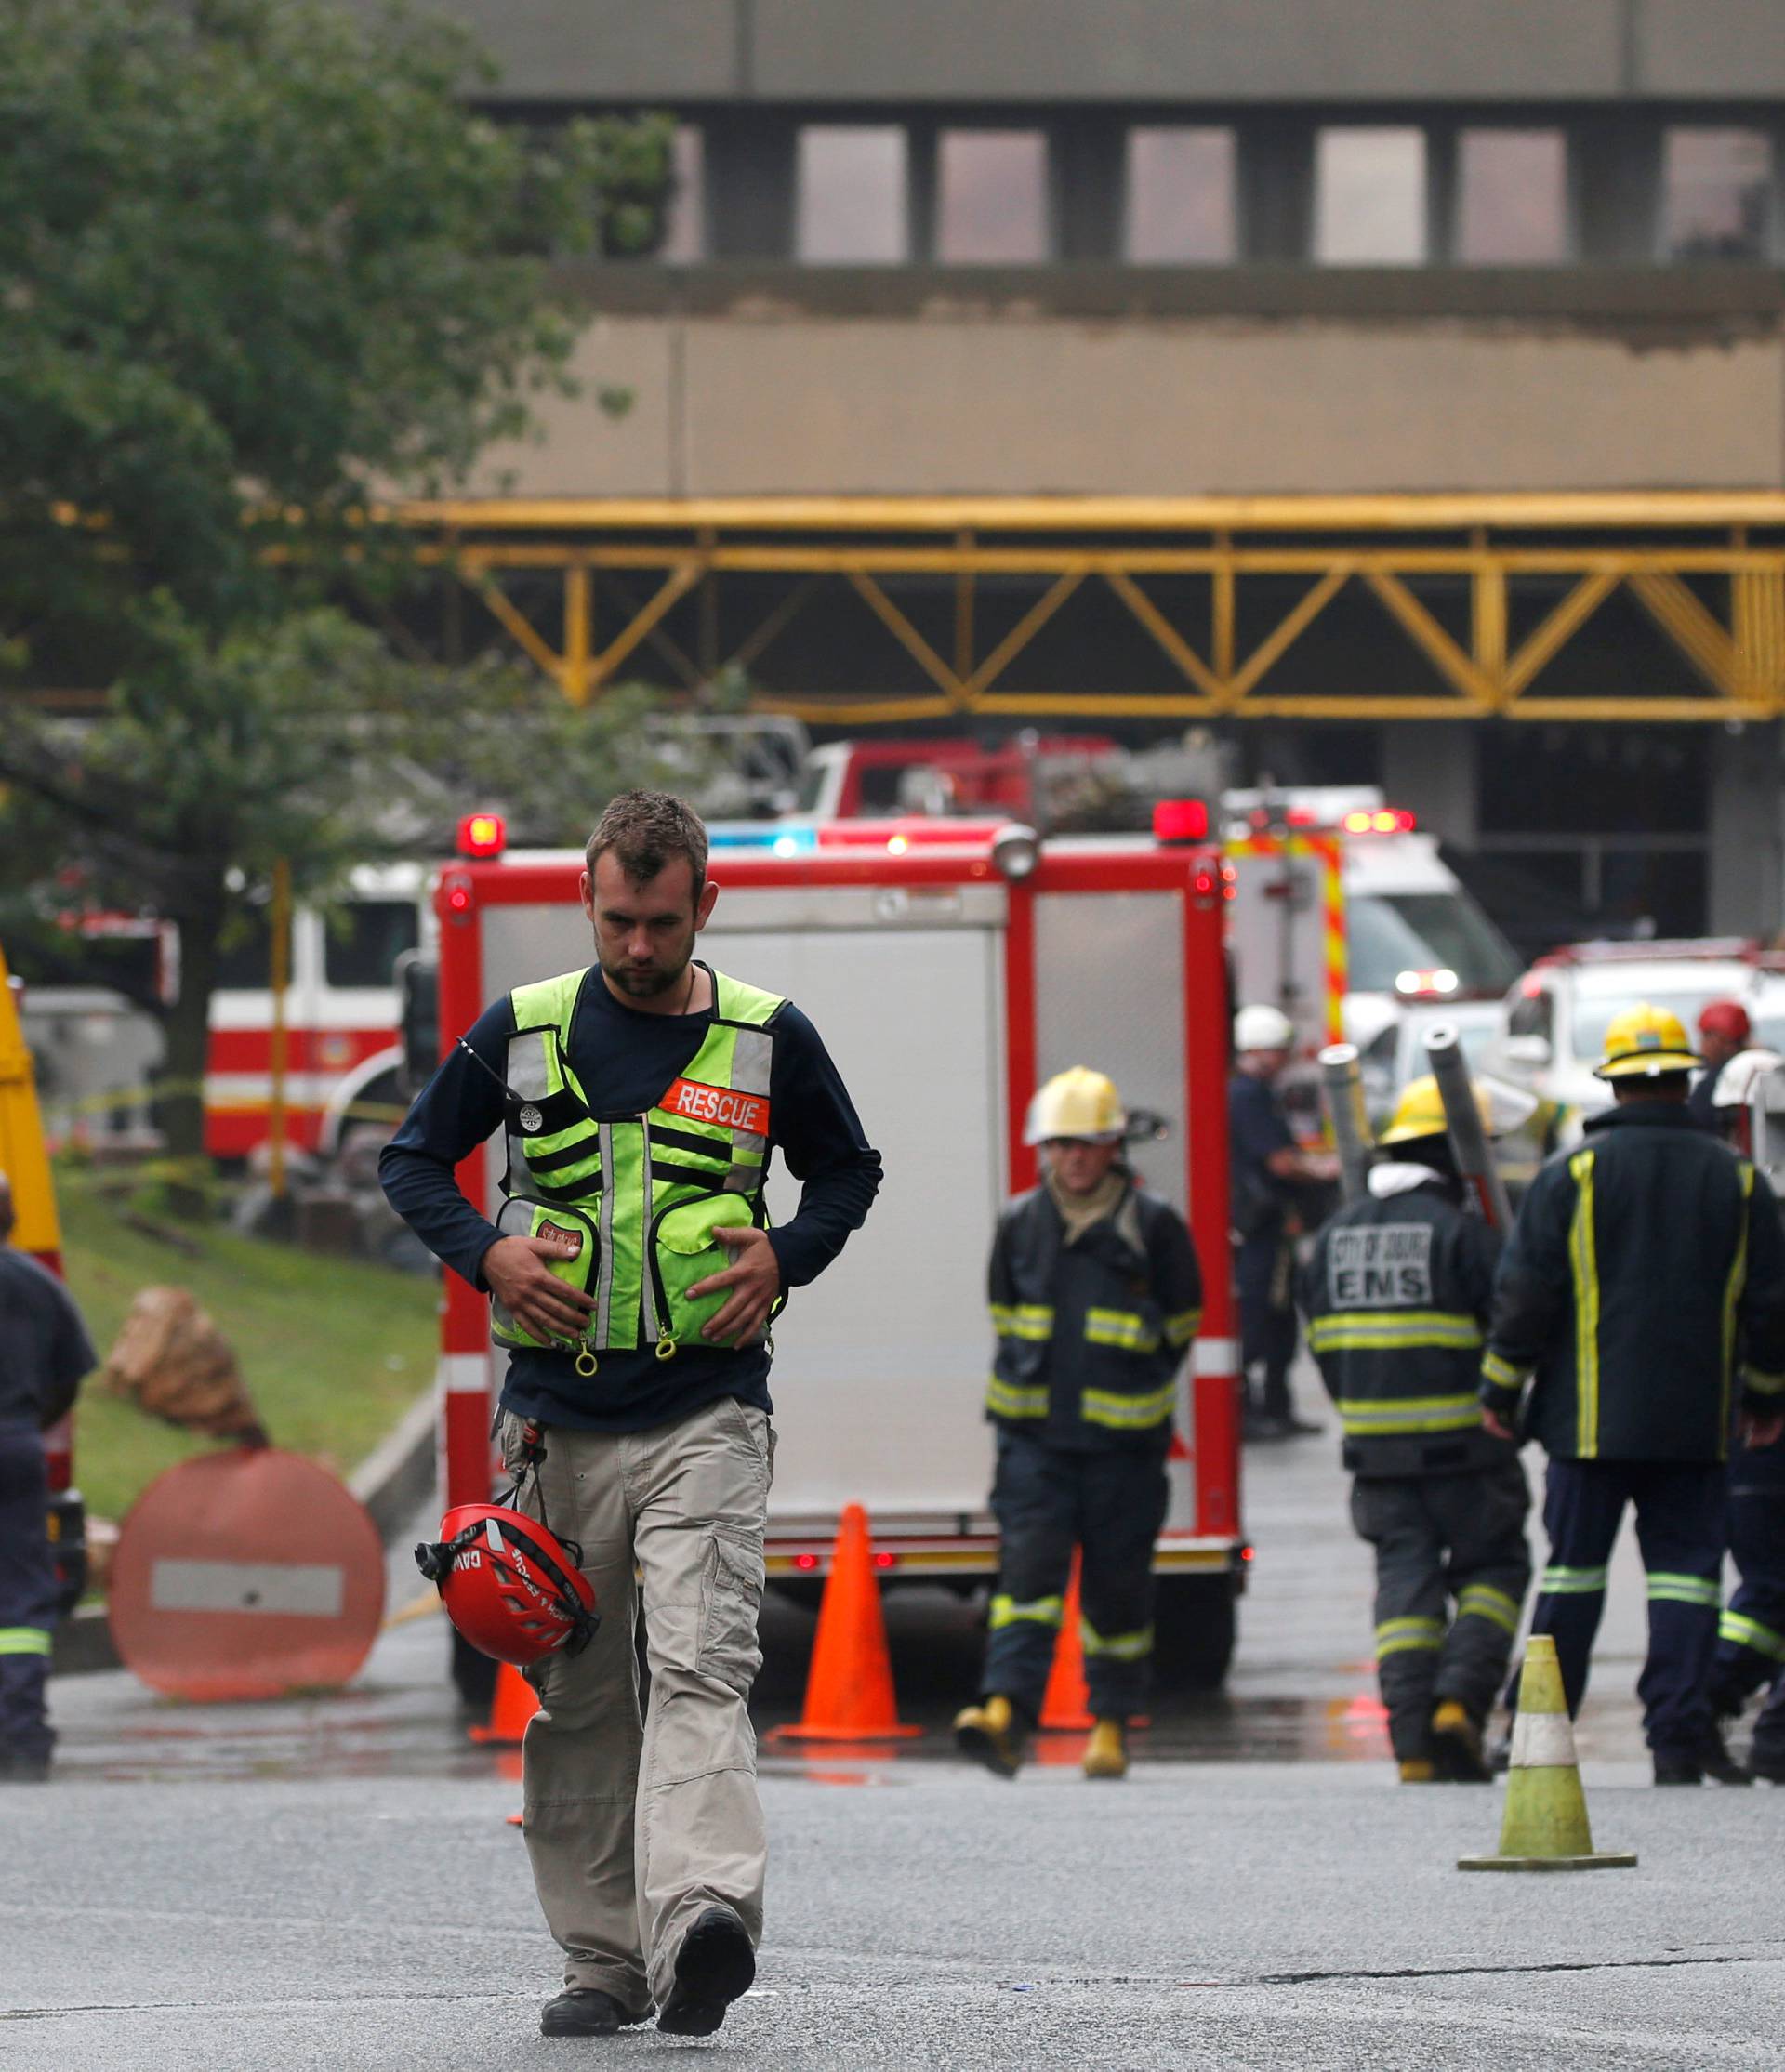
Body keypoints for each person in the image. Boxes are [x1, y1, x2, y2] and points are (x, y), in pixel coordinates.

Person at [381, 791, 881, 2039]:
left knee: (703, 1663)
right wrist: (487, 1252)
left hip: (708, 1409)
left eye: (662, 922)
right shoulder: (523, 1029)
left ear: (705, 905)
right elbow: (407, 1160)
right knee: (585, 1699)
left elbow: (850, 1169)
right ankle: (603, 1959)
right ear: (589, 904)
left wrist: (788, 1252)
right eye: (619, 921)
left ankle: (702, 1918)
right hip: (557, 1421)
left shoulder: (771, 1038)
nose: (640, 948)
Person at [1480, 1004, 1785, 1786]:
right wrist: (1762, 1398)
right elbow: (1771, 1307)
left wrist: (1501, 1392)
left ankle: (1536, 1733)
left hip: (1587, 1427)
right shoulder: (1741, 1181)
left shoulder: (1570, 1177)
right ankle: (1678, 1740)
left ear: (1613, 1084)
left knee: (1573, 1575)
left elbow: (1525, 1295)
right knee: (1686, 1581)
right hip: (1697, 1429)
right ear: (1686, 1079)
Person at [953, 1067, 1202, 1784]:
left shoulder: (1153, 1225)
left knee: (1118, 1592)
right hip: (1034, 1443)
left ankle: (1111, 1723)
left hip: (1124, 1450)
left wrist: (1133, 1377)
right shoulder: (1021, 1223)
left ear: (1114, 1146)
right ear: (1045, 1149)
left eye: (1089, 1144)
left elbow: (1184, 1317)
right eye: (1062, 1145)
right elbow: (1005, 1308)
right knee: (1025, 1582)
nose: (1075, 1158)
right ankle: (1004, 1712)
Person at [1300, 1078, 1530, 1784]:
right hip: (1470, 1448)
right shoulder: (1464, 1233)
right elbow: (1509, 1329)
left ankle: (1412, 1746)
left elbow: (1323, 1343)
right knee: (1494, 1569)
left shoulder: (1334, 1236)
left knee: (1404, 1590)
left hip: (1377, 1456)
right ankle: (1460, 1700)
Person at [0, 1169, 97, 1783]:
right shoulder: (37, 1283)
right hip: (15, 1445)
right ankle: (22, 1734)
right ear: (11, 1218)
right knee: (19, 1595)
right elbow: (70, 1372)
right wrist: (30, 1423)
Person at [1229, 1003, 1337, 1440]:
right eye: (1277, 1051)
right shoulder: (1247, 1095)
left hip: (1271, 1227)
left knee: (1279, 1318)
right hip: (1260, 1229)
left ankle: (1275, 1404)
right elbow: (1278, 1162)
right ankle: (1251, 1408)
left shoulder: (1257, 1093)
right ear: (1256, 1050)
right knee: (1260, 1316)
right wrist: (1326, 1170)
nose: (1284, 1060)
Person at [1687, 998, 1753, 1130]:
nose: (1702, 1045)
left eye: (1706, 1036)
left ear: (1721, 1039)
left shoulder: (1716, 1079)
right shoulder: (1762, 1068)